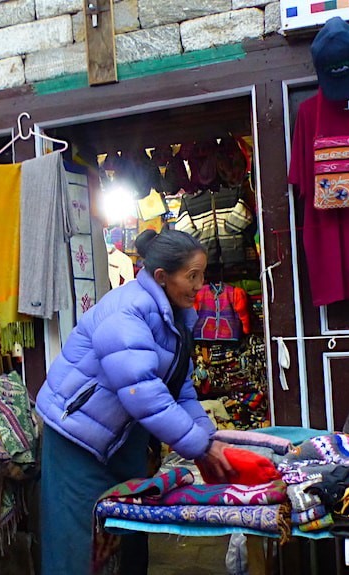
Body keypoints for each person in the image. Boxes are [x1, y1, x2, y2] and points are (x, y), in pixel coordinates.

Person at [36, 228, 234, 575]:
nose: (199, 286)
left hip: (122, 438)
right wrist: (199, 447)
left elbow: (180, 390)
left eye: (202, 276)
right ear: (162, 276)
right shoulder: (127, 312)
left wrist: (208, 438)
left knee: (131, 531)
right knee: (80, 543)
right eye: (192, 276)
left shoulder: (177, 319)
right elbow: (141, 393)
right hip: (77, 437)